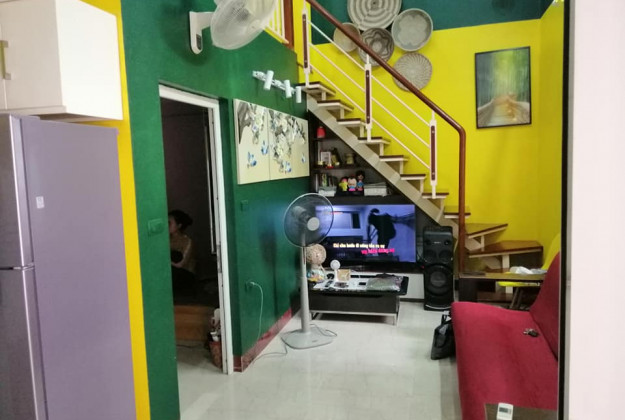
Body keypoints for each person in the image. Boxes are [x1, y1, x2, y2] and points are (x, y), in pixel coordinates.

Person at [169, 210, 196, 296]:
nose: (167, 225)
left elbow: (180, 265)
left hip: (185, 273)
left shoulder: (187, 241)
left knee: (176, 255)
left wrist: (166, 262)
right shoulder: (167, 239)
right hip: (173, 270)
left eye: (170, 223)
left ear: (179, 225)